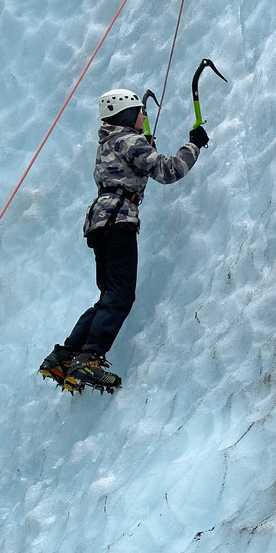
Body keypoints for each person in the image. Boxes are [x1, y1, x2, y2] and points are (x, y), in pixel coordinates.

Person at [39, 88, 209, 392]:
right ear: (127, 114)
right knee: (120, 295)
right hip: (119, 221)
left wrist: (144, 145)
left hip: (100, 222)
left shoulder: (109, 142)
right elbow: (169, 171)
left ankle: (64, 356)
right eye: (140, 112)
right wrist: (193, 144)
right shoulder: (128, 140)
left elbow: (131, 167)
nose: (144, 117)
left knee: (109, 294)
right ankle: (89, 358)